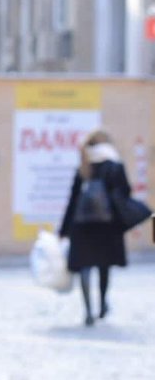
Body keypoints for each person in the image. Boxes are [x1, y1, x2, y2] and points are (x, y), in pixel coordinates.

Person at [59, 129, 130, 326]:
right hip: (105, 225)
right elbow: (124, 193)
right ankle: (102, 304)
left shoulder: (84, 167)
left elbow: (72, 201)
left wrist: (63, 230)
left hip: (82, 226)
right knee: (103, 266)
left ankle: (88, 310)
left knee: (85, 266)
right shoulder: (114, 166)